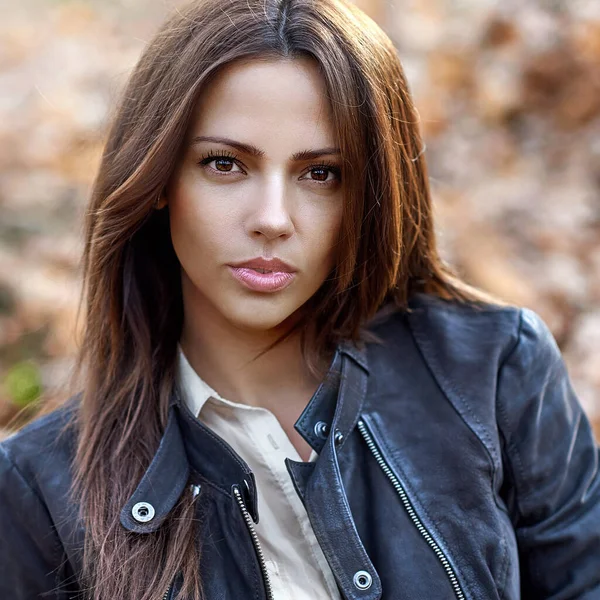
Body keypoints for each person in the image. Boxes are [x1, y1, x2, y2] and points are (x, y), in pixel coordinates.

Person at [1, 0, 599, 597]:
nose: (272, 220)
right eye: (225, 164)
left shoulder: (495, 373)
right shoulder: (39, 492)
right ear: (159, 181)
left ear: (368, 193)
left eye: (321, 174)